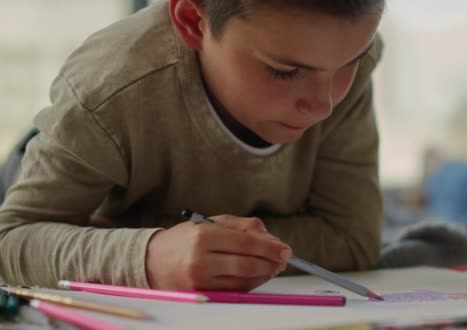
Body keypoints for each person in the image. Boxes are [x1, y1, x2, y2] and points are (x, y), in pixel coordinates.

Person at [0, 0, 385, 291]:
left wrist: (133, 235)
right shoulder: (106, 91)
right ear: (192, 23)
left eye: (352, 61)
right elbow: (11, 240)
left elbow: (352, 241)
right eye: (284, 71)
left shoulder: (331, 53)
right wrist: (149, 256)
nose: (324, 105)